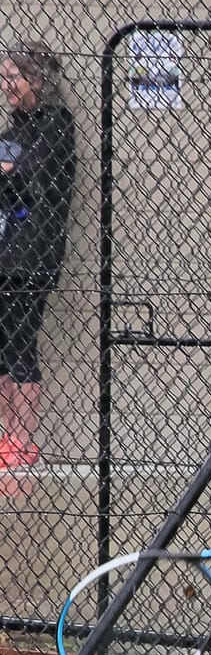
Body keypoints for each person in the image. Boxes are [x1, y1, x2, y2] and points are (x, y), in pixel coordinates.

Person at [0, 41, 76, 469]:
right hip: (4, 251)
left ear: (38, 80)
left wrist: (11, 175)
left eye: (15, 76)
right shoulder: (13, 133)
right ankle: (6, 436)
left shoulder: (56, 126)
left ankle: (23, 441)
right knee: (1, 348)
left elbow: (31, 184)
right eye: (4, 77)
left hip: (33, 256)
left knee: (21, 344)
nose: (7, 85)